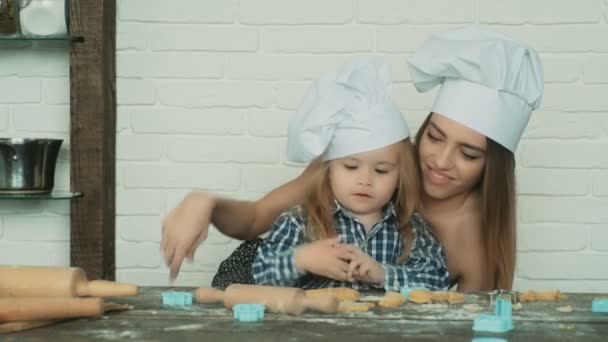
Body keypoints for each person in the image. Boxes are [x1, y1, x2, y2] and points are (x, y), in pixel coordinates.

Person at [161, 25, 543, 292]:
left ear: (491, 167)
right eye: (435, 136)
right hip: (263, 282)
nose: (441, 161)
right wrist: (205, 203)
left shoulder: (472, 235)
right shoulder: (367, 154)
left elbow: (452, 324)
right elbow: (256, 220)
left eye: (469, 153)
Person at [252, 58, 449, 291]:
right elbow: (260, 274)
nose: (365, 180)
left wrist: (382, 273)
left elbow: (437, 280)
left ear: (399, 178)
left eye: (381, 170)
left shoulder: (410, 227)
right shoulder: (301, 221)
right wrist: (302, 260)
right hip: (316, 327)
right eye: (351, 167)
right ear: (329, 171)